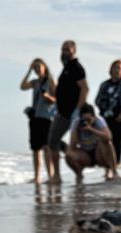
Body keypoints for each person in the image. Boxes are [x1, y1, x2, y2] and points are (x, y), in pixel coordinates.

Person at [49, 40, 90, 185]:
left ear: (74, 50)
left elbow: (85, 89)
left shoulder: (76, 67)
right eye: (62, 49)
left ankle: (57, 176)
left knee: (53, 139)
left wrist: (77, 110)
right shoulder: (66, 68)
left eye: (67, 49)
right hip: (61, 111)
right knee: (53, 140)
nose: (65, 52)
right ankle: (68, 173)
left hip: (70, 114)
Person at [21, 58, 57, 183]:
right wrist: (28, 71)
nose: (37, 70)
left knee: (47, 147)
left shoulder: (51, 81)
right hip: (35, 117)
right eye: (35, 67)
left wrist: (48, 97)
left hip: (47, 117)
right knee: (35, 148)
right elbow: (22, 86)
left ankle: (51, 175)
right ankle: (37, 176)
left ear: (44, 67)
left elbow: (57, 98)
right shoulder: (35, 82)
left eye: (38, 67)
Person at [94, 60, 121, 164]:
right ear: (110, 70)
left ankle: (115, 165)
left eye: (119, 68)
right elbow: (97, 100)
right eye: (115, 67)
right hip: (107, 118)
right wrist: (106, 108)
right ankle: (106, 165)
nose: (117, 70)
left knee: (117, 141)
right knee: (105, 141)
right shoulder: (104, 85)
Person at [66, 104, 118, 182]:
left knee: (107, 143)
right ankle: (79, 175)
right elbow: (73, 146)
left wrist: (92, 130)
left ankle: (113, 171)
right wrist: (76, 130)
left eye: (89, 120)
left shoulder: (99, 121)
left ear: (93, 116)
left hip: (99, 153)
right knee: (69, 155)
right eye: (85, 120)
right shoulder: (77, 123)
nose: (87, 122)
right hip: (86, 154)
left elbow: (109, 136)